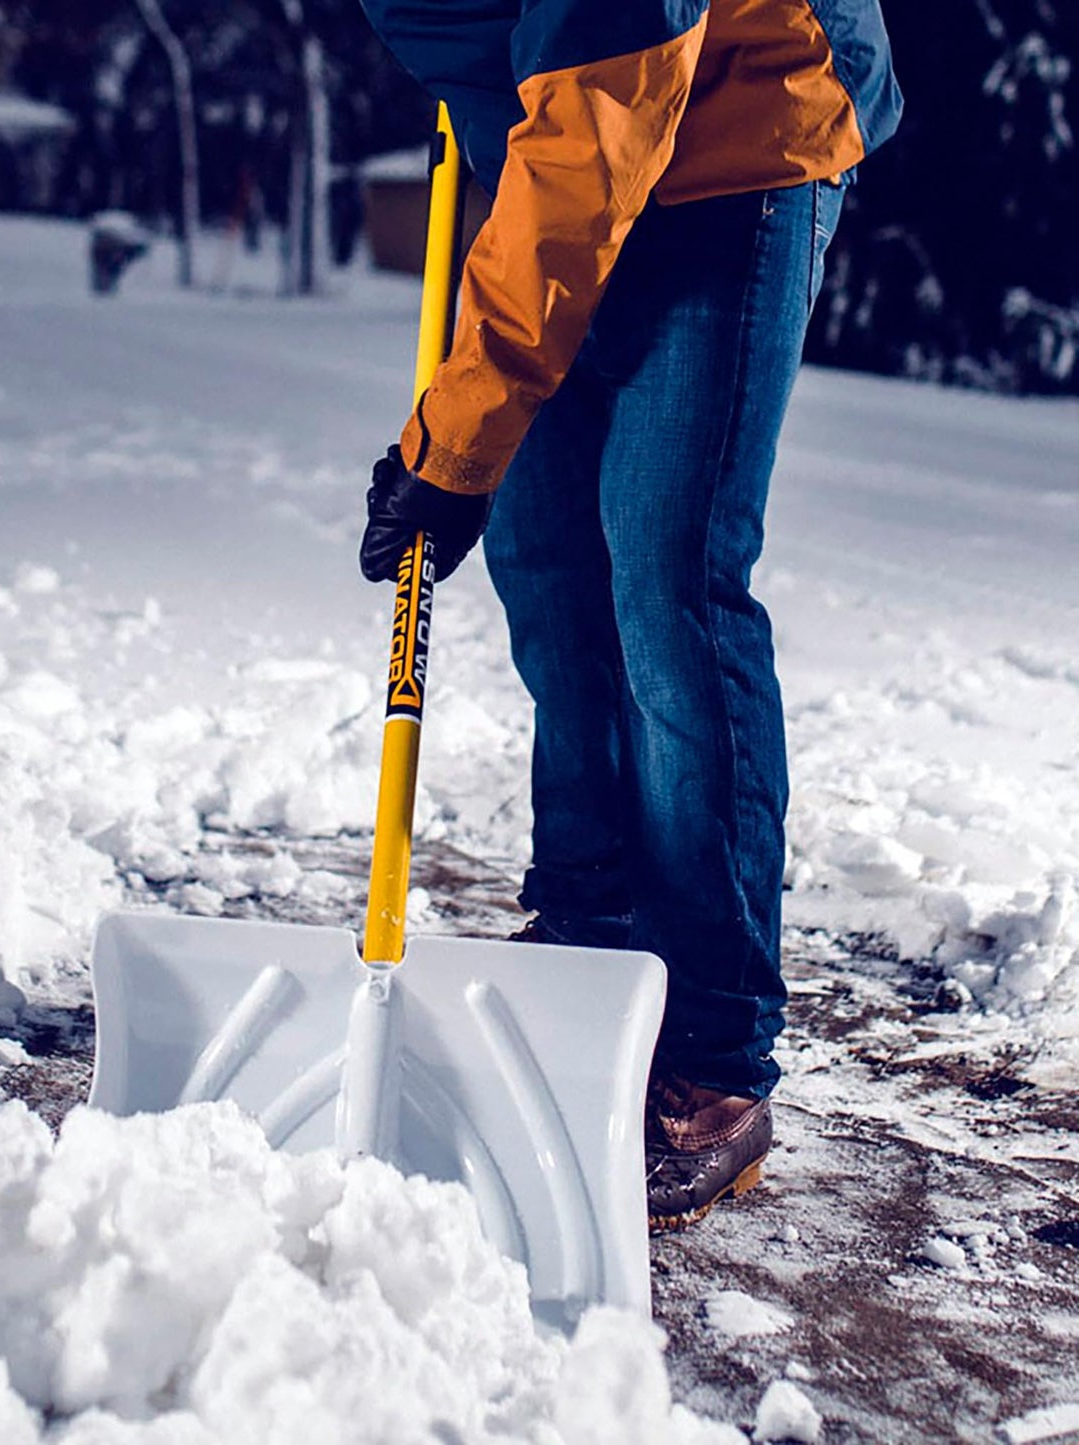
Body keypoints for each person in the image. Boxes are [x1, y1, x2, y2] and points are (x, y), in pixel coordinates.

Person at [357, 0, 901, 1229]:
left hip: (738, 137)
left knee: (666, 577)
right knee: (546, 566)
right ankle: (589, 949)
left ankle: (712, 1051)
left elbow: (599, 119)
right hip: (556, 145)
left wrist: (452, 445)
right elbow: (534, 102)